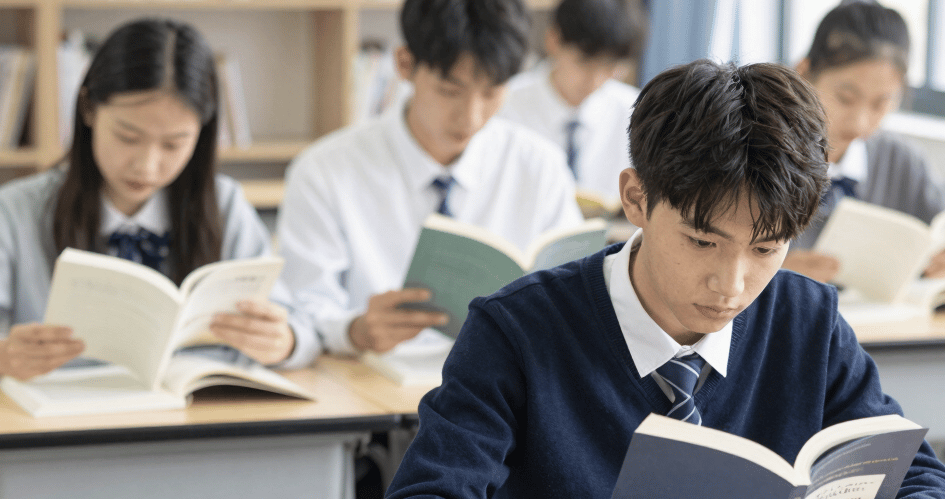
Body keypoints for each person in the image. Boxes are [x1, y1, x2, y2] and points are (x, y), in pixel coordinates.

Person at [385, 59, 945, 497]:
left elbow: (914, 475)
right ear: (636, 198)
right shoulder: (515, 332)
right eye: (703, 242)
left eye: (766, 248)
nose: (730, 285)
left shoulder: (809, 322)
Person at [0, 19, 318, 382]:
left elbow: (302, 326)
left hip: (200, 427)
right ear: (89, 108)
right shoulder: (17, 211)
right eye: (127, 137)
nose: (146, 165)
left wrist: (283, 341)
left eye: (174, 144)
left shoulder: (224, 205)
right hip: (61, 437)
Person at [277, 0, 583, 357]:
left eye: (491, 92)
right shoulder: (324, 172)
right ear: (405, 64)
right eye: (450, 91)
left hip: (506, 388)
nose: (470, 117)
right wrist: (355, 330)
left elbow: (572, 293)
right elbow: (302, 311)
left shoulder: (539, 166)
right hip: (375, 386)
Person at [783, 0, 945, 282]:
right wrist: (771, 273)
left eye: (881, 103)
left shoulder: (901, 162)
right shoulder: (758, 153)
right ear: (804, 73)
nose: (860, 123)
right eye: (845, 98)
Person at [497, 0, 646, 201]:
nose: (594, 81)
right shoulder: (504, 104)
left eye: (609, 67)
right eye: (584, 62)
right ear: (553, 39)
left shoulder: (635, 112)